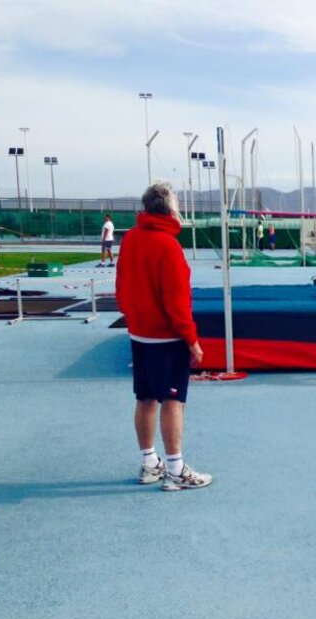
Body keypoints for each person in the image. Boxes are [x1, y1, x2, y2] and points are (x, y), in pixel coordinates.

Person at [115, 182, 212, 492]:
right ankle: (175, 469)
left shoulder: (131, 239)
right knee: (173, 400)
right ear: (170, 209)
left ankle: (150, 462)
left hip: (140, 334)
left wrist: (134, 320)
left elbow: (121, 287)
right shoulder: (168, 246)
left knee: (145, 398)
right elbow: (177, 301)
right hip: (165, 338)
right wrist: (192, 340)